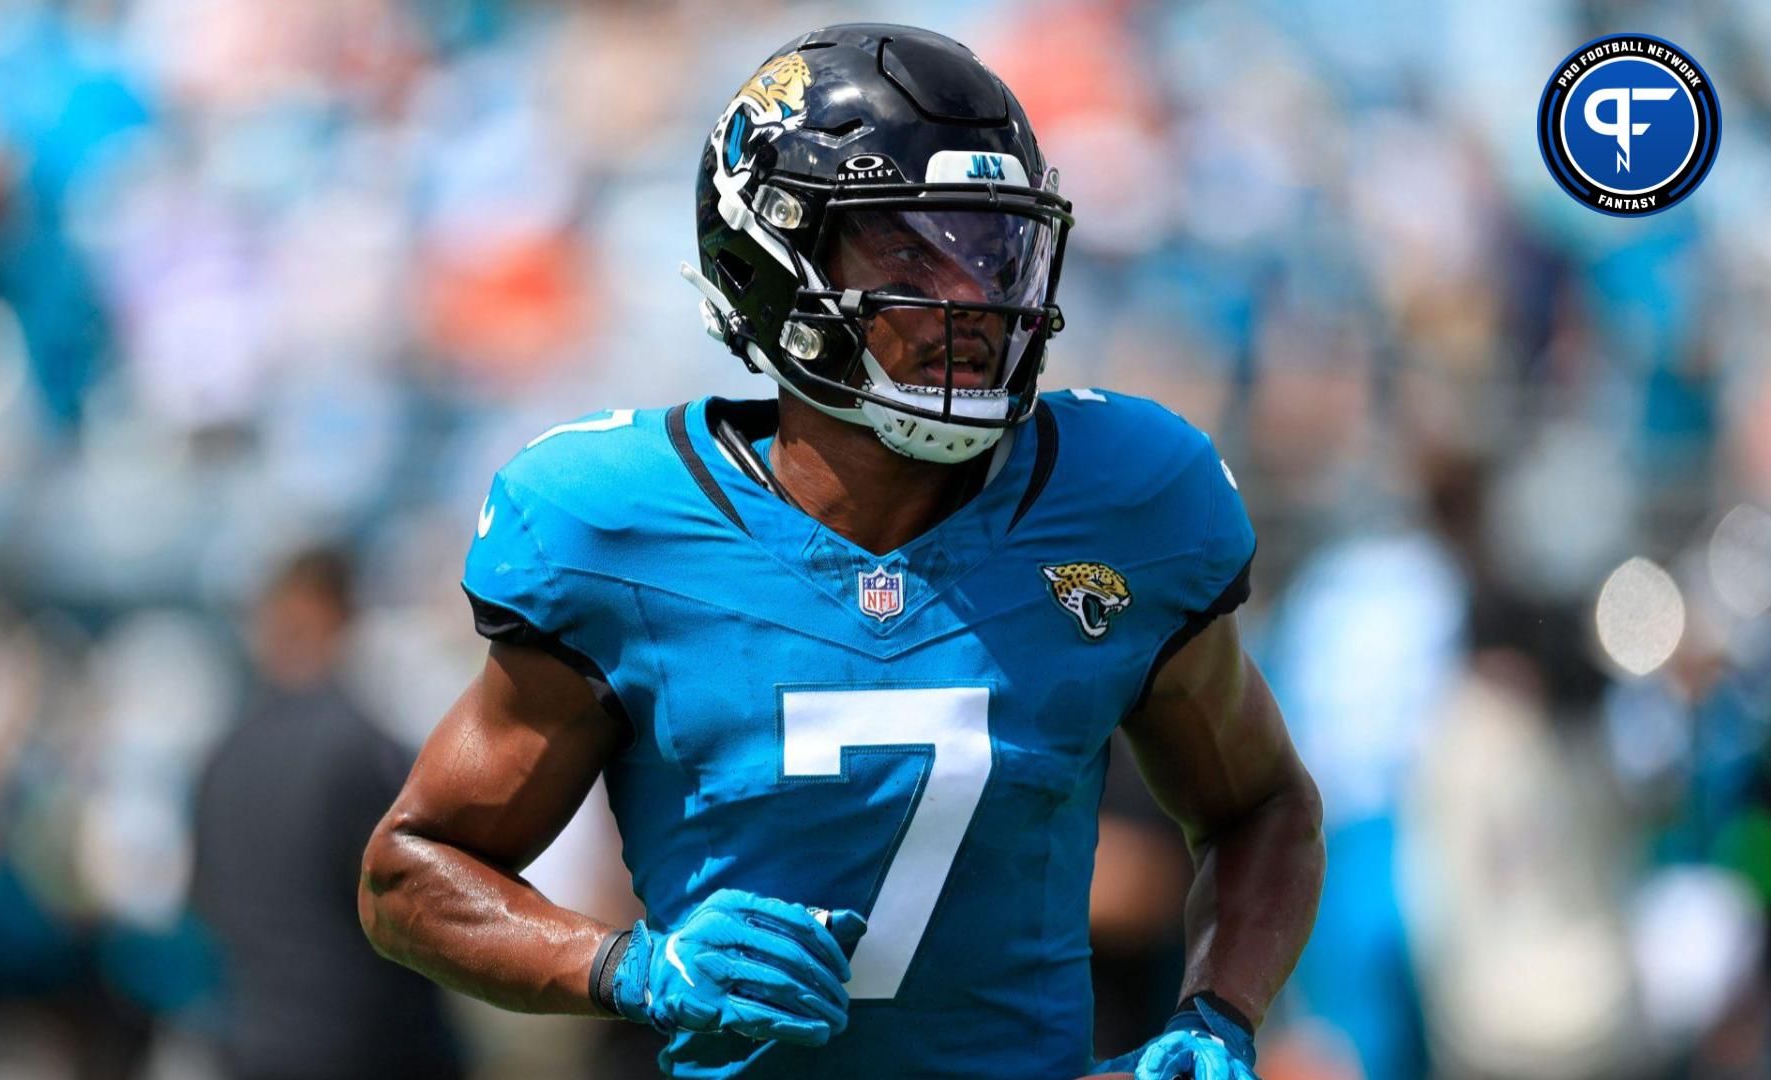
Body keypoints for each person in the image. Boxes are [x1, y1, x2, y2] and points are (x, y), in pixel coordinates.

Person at [359, 24, 1323, 1080]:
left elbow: (1264, 804)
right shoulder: (617, 523)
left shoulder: (1125, 496)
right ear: (766, 262)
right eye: (908, 248)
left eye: (991, 248)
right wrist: (626, 967)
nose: (970, 297)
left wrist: (1219, 1013)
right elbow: (410, 873)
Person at [193, 549, 464, 1080]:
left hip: (250, 1045)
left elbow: (203, 903)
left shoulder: (221, 758)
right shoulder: (360, 750)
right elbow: (415, 911)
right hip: (365, 1047)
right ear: (338, 617)